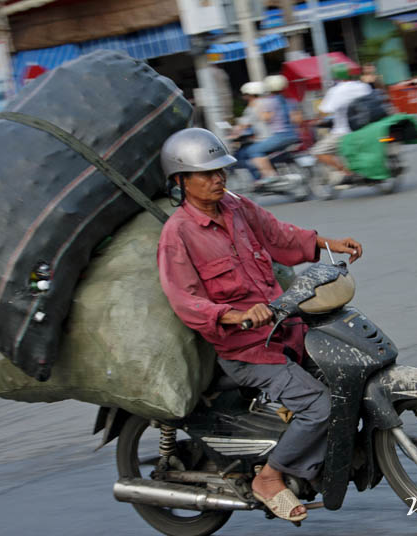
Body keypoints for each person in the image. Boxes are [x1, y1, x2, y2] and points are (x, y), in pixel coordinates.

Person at [156, 127, 364, 524]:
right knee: (319, 407)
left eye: (221, 170)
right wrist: (235, 315)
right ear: (181, 181)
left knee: (347, 375)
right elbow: (185, 300)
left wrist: (327, 243)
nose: (219, 178)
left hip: (284, 330)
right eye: (207, 173)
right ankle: (269, 479)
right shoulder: (177, 235)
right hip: (246, 349)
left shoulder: (235, 207)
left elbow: (276, 234)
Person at [310, 63, 372, 181]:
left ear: (335, 77)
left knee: (317, 151)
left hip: (344, 131)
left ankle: (345, 171)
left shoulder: (336, 91)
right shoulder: (362, 86)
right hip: (366, 128)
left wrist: (316, 120)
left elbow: (324, 111)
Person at [243, 74, 301, 186]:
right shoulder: (290, 101)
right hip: (294, 135)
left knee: (252, 150)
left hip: (280, 136)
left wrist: (258, 109)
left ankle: (270, 176)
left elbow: (266, 118)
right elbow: (298, 120)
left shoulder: (269, 102)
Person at [233, 81, 270, 181]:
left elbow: (244, 124)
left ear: (250, 94)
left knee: (243, 154)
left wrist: (234, 134)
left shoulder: (253, 106)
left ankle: (259, 179)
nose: (243, 97)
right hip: (268, 137)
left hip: (263, 139)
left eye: (245, 94)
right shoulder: (266, 102)